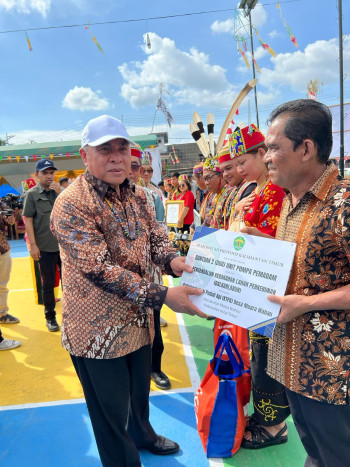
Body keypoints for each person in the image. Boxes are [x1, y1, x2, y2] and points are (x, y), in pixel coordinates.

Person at [50, 114, 206, 467]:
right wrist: (165, 295)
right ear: (84, 155)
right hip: (96, 332)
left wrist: (172, 261)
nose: (117, 157)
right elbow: (98, 269)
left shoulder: (137, 196)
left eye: (122, 148)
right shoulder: (72, 203)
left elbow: (155, 236)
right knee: (110, 413)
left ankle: (144, 434)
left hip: (138, 320)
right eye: (105, 149)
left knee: (139, 394)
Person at [245, 99, 350, 466]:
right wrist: (261, 244)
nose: (267, 157)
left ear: (306, 148)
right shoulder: (292, 200)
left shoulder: (343, 202)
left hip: (331, 372)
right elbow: (308, 261)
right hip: (293, 362)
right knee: (316, 455)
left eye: (273, 147)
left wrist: (305, 304)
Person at [228, 124, 288, 450]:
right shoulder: (260, 189)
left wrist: (249, 230)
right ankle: (265, 417)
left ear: (262, 155)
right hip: (257, 284)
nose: (238, 170)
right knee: (258, 356)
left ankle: (274, 426)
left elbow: (280, 242)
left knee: (267, 358)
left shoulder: (276, 190)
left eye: (242, 162)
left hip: (270, 285)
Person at [128, 142, 170, 389]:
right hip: (121, 280)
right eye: (130, 166)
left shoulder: (151, 197)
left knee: (154, 323)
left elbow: (160, 230)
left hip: (150, 274)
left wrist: (168, 259)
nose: (132, 172)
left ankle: (155, 367)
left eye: (137, 167)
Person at [23, 159, 62, 332]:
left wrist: (60, 192)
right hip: (45, 247)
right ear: (37, 174)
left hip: (64, 248)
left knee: (70, 283)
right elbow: (28, 220)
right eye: (45, 173)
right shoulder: (32, 194)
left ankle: (71, 314)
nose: (49, 176)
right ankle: (50, 317)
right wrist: (33, 245)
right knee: (48, 285)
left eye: (51, 172)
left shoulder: (60, 192)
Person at [0, 212, 20, 325]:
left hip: (3, 248)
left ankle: (2, 314)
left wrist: (10, 220)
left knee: (2, 285)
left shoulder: (1, 203)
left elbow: (7, 222)